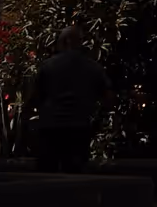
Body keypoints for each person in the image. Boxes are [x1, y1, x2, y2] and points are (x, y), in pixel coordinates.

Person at [30, 25, 111, 172]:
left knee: (46, 177)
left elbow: (35, 97)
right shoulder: (93, 67)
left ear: (66, 41)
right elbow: (107, 98)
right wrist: (94, 122)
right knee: (74, 177)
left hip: (51, 128)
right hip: (78, 129)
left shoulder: (48, 66)